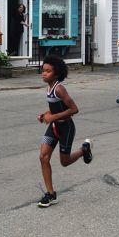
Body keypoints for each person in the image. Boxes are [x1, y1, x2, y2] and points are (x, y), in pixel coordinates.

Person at [37, 55, 93, 208]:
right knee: (43, 157)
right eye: (43, 70)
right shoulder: (49, 87)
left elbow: (74, 109)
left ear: (56, 74)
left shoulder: (59, 89)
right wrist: (45, 115)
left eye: (48, 71)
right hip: (54, 126)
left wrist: (53, 116)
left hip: (66, 128)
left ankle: (84, 150)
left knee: (64, 162)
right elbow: (55, 107)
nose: (44, 73)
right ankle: (50, 194)